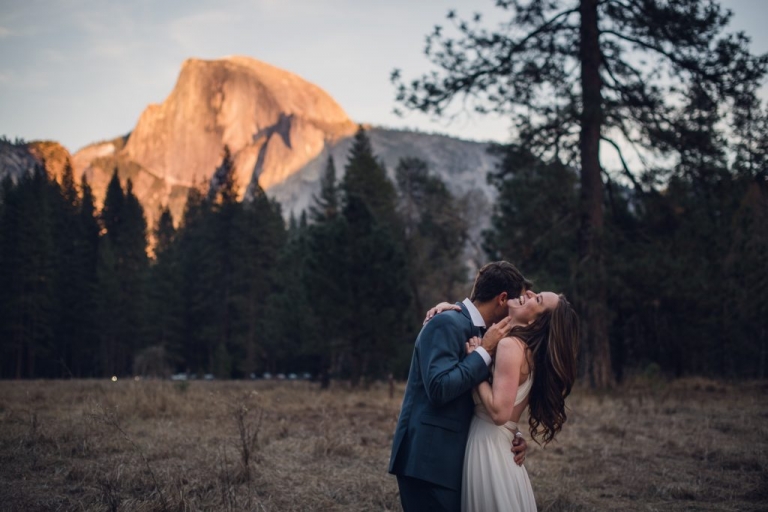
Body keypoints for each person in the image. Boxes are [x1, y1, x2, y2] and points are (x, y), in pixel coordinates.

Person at [389, 261, 532, 512]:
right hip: (428, 463)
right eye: (517, 300)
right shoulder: (445, 322)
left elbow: (489, 398)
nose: (518, 307)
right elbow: (439, 388)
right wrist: (483, 352)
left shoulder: (492, 334)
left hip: (458, 462)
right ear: (501, 299)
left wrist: (511, 433)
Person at [429, 290, 580, 511]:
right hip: (499, 445)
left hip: (488, 449)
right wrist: (446, 306)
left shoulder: (510, 346)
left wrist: (475, 361)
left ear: (535, 322)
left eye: (537, 300)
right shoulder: (526, 349)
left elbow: (499, 413)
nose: (528, 293)